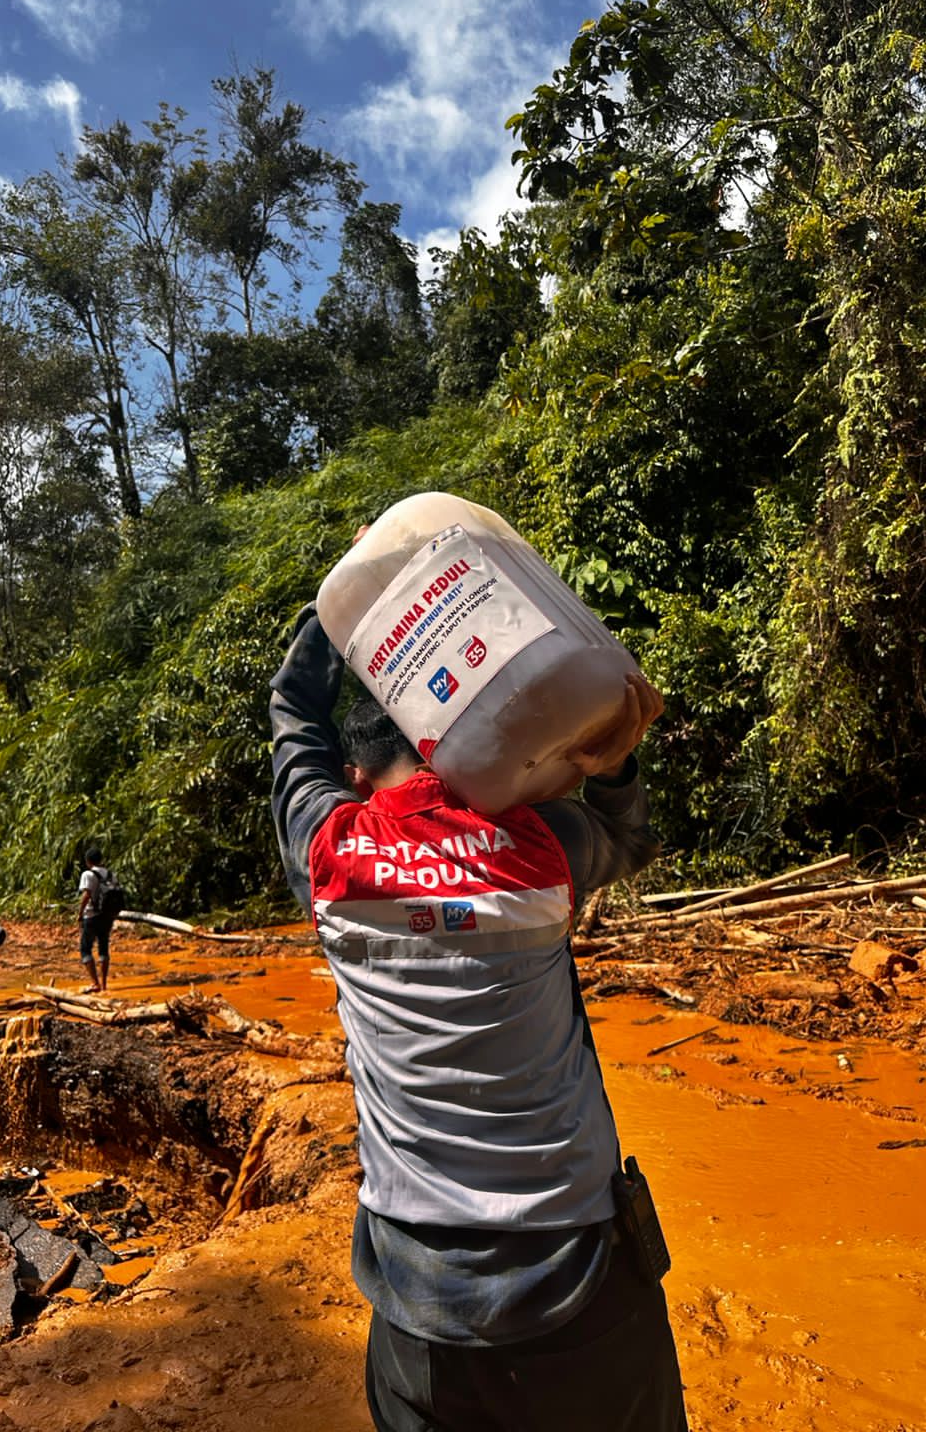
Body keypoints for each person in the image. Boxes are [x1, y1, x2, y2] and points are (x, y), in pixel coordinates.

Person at [270, 602, 689, 1432]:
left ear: (356, 781)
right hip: (583, 1280)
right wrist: (611, 764)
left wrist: (339, 609)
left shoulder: (327, 854)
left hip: (420, 1301)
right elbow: (628, 835)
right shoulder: (541, 843)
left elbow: (292, 711)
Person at [77, 846, 116, 993]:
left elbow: (86, 895)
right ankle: (104, 984)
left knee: (85, 949)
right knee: (103, 948)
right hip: (107, 916)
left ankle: (95, 983)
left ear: (88, 861)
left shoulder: (88, 874)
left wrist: (80, 913)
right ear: (101, 859)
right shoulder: (110, 874)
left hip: (91, 916)